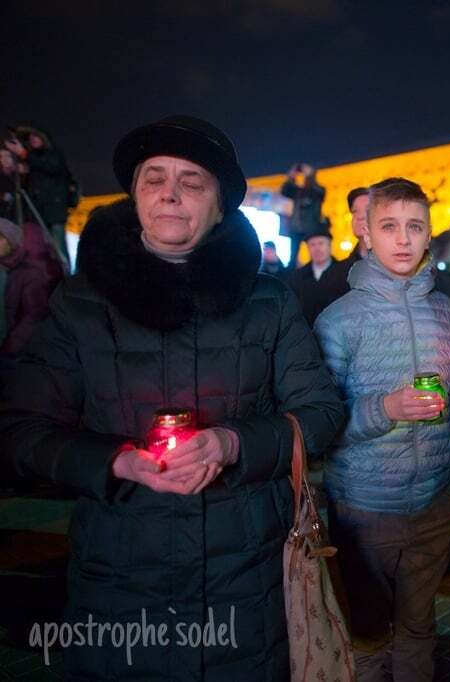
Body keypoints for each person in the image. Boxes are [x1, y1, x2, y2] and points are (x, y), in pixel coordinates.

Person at [0, 115, 344, 680]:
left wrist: (232, 444)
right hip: (120, 581)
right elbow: (21, 429)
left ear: (219, 203)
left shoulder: (268, 302)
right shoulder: (81, 304)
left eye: (192, 181)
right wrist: (115, 461)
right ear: (134, 195)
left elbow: (323, 412)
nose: (170, 193)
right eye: (154, 177)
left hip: (246, 584)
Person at [314, 177, 450, 682]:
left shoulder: (446, 313)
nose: (402, 239)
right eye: (389, 226)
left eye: (414, 226)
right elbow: (321, 424)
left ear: (429, 236)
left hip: (435, 504)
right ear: (366, 233)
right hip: (365, 508)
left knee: (419, 627)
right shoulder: (338, 320)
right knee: (368, 633)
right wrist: (386, 407)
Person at [4, 126, 77, 263]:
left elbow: (50, 166)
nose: (33, 140)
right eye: (30, 139)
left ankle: (66, 276)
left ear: (43, 137)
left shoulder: (53, 154)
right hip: (39, 211)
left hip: (54, 210)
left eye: (35, 137)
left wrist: (23, 153)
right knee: (45, 248)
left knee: (58, 246)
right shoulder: (32, 159)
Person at [0, 220, 65, 356]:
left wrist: (9, 348)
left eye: (0, 238)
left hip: (16, 353)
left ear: (11, 241)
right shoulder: (6, 270)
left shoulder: (29, 273)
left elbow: (33, 315)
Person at [289, 223, 348, 325]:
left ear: (329, 245)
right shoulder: (297, 277)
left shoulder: (344, 273)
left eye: (321, 243)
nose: (317, 248)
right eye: (312, 245)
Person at [281, 162, 326, 265]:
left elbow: (316, 190)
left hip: (312, 229)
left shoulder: (317, 191)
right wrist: (291, 177)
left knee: (315, 255)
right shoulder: (297, 192)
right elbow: (284, 190)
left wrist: (310, 176)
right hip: (296, 229)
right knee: (293, 258)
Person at [334, 186, 370, 298]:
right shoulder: (337, 273)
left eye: (368, 210)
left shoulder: (399, 267)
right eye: (355, 211)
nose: (359, 217)